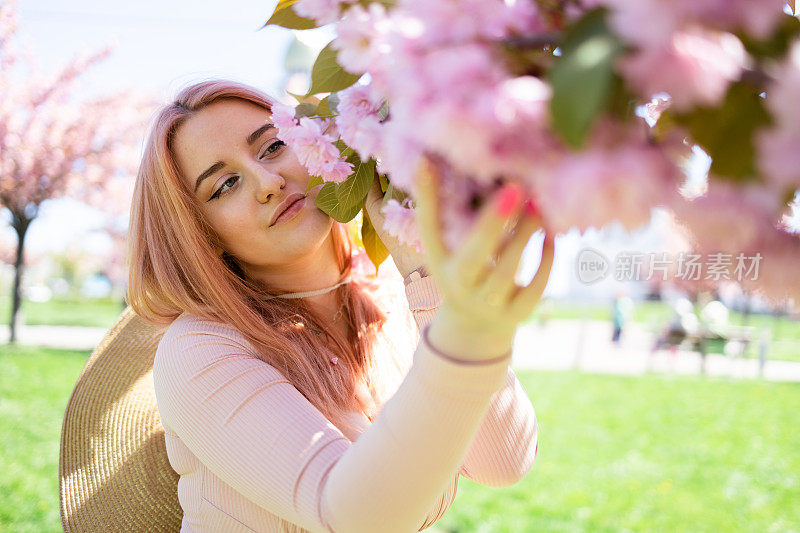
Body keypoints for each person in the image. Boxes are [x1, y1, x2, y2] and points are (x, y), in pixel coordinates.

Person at [126, 79, 555, 532]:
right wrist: (461, 328)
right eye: (225, 184)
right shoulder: (199, 352)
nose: (268, 183)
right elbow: (355, 517)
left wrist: (434, 282)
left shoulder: (396, 292)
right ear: (201, 235)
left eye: (272, 147)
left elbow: (504, 461)